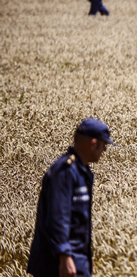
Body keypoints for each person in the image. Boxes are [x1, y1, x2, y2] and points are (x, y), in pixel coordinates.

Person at [27, 118, 116, 277]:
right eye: (104, 145)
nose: (104, 151)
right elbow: (57, 217)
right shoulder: (65, 172)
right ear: (93, 143)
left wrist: (85, 258)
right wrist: (65, 257)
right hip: (56, 264)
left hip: (76, 259)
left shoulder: (81, 171)